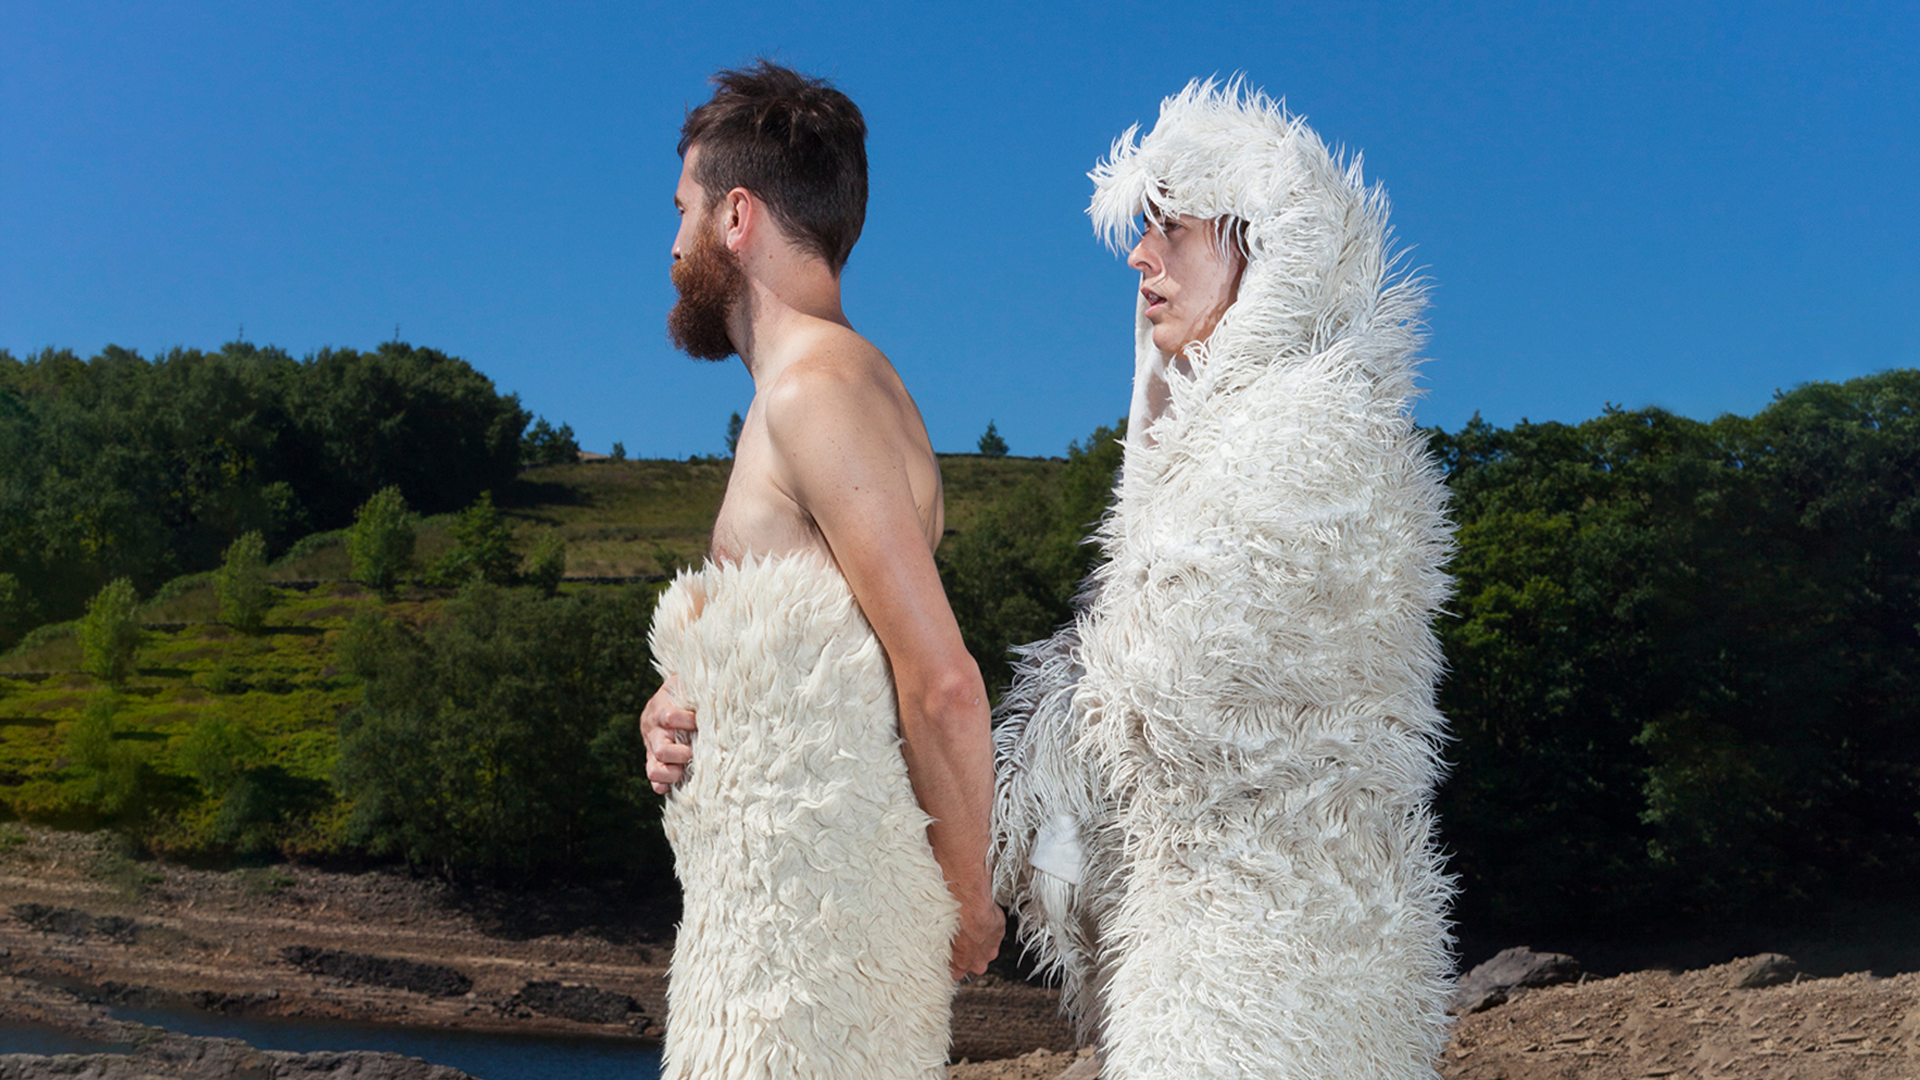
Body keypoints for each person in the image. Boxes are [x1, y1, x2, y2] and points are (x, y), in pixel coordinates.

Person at [992, 79, 1457, 1079]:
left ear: (1261, 246)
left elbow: (1185, 703)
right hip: (1230, 946)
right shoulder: (1242, 436)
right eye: (1143, 226)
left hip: (1269, 960)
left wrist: (1040, 732)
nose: (1140, 255)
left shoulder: (1309, 435)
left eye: (1173, 228)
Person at [639, 61, 1003, 1080]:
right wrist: (679, 709)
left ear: (737, 217)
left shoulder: (815, 395)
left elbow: (940, 681)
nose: (673, 245)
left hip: (806, 939)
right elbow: (822, 651)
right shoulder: (838, 387)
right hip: (772, 917)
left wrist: (968, 901)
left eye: (684, 210)